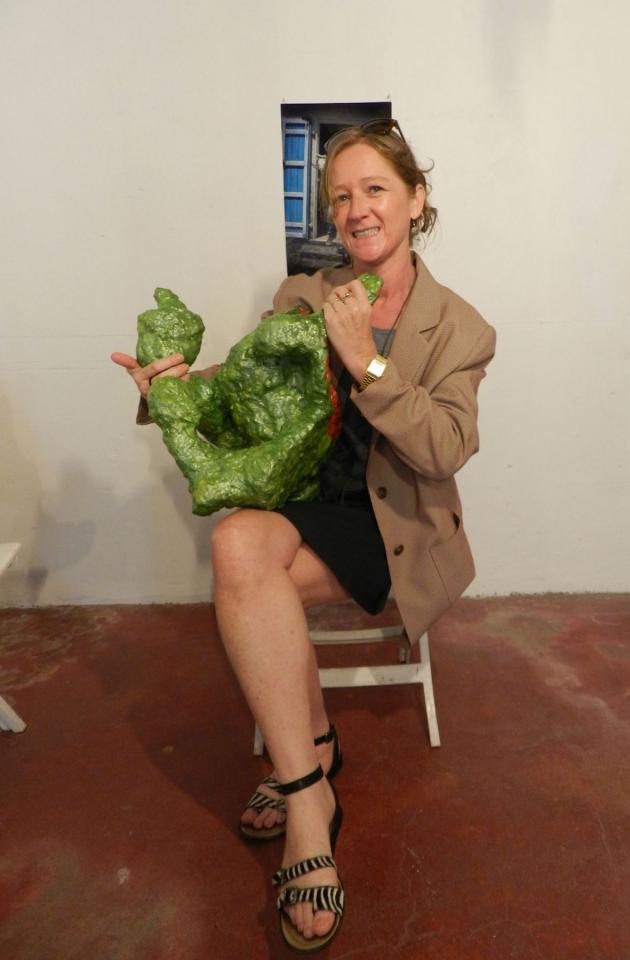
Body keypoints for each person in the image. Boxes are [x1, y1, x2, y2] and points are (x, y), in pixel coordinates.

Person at [111, 118, 496, 952]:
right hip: (304, 502)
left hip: (393, 525)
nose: (357, 210)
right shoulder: (303, 295)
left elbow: (446, 447)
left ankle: (310, 761)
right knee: (238, 547)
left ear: (416, 199)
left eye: (375, 189)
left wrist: (368, 363)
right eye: (342, 196)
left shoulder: (460, 327)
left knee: (251, 580)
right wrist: (174, 386)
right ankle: (309, 794)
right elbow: (245, 387)